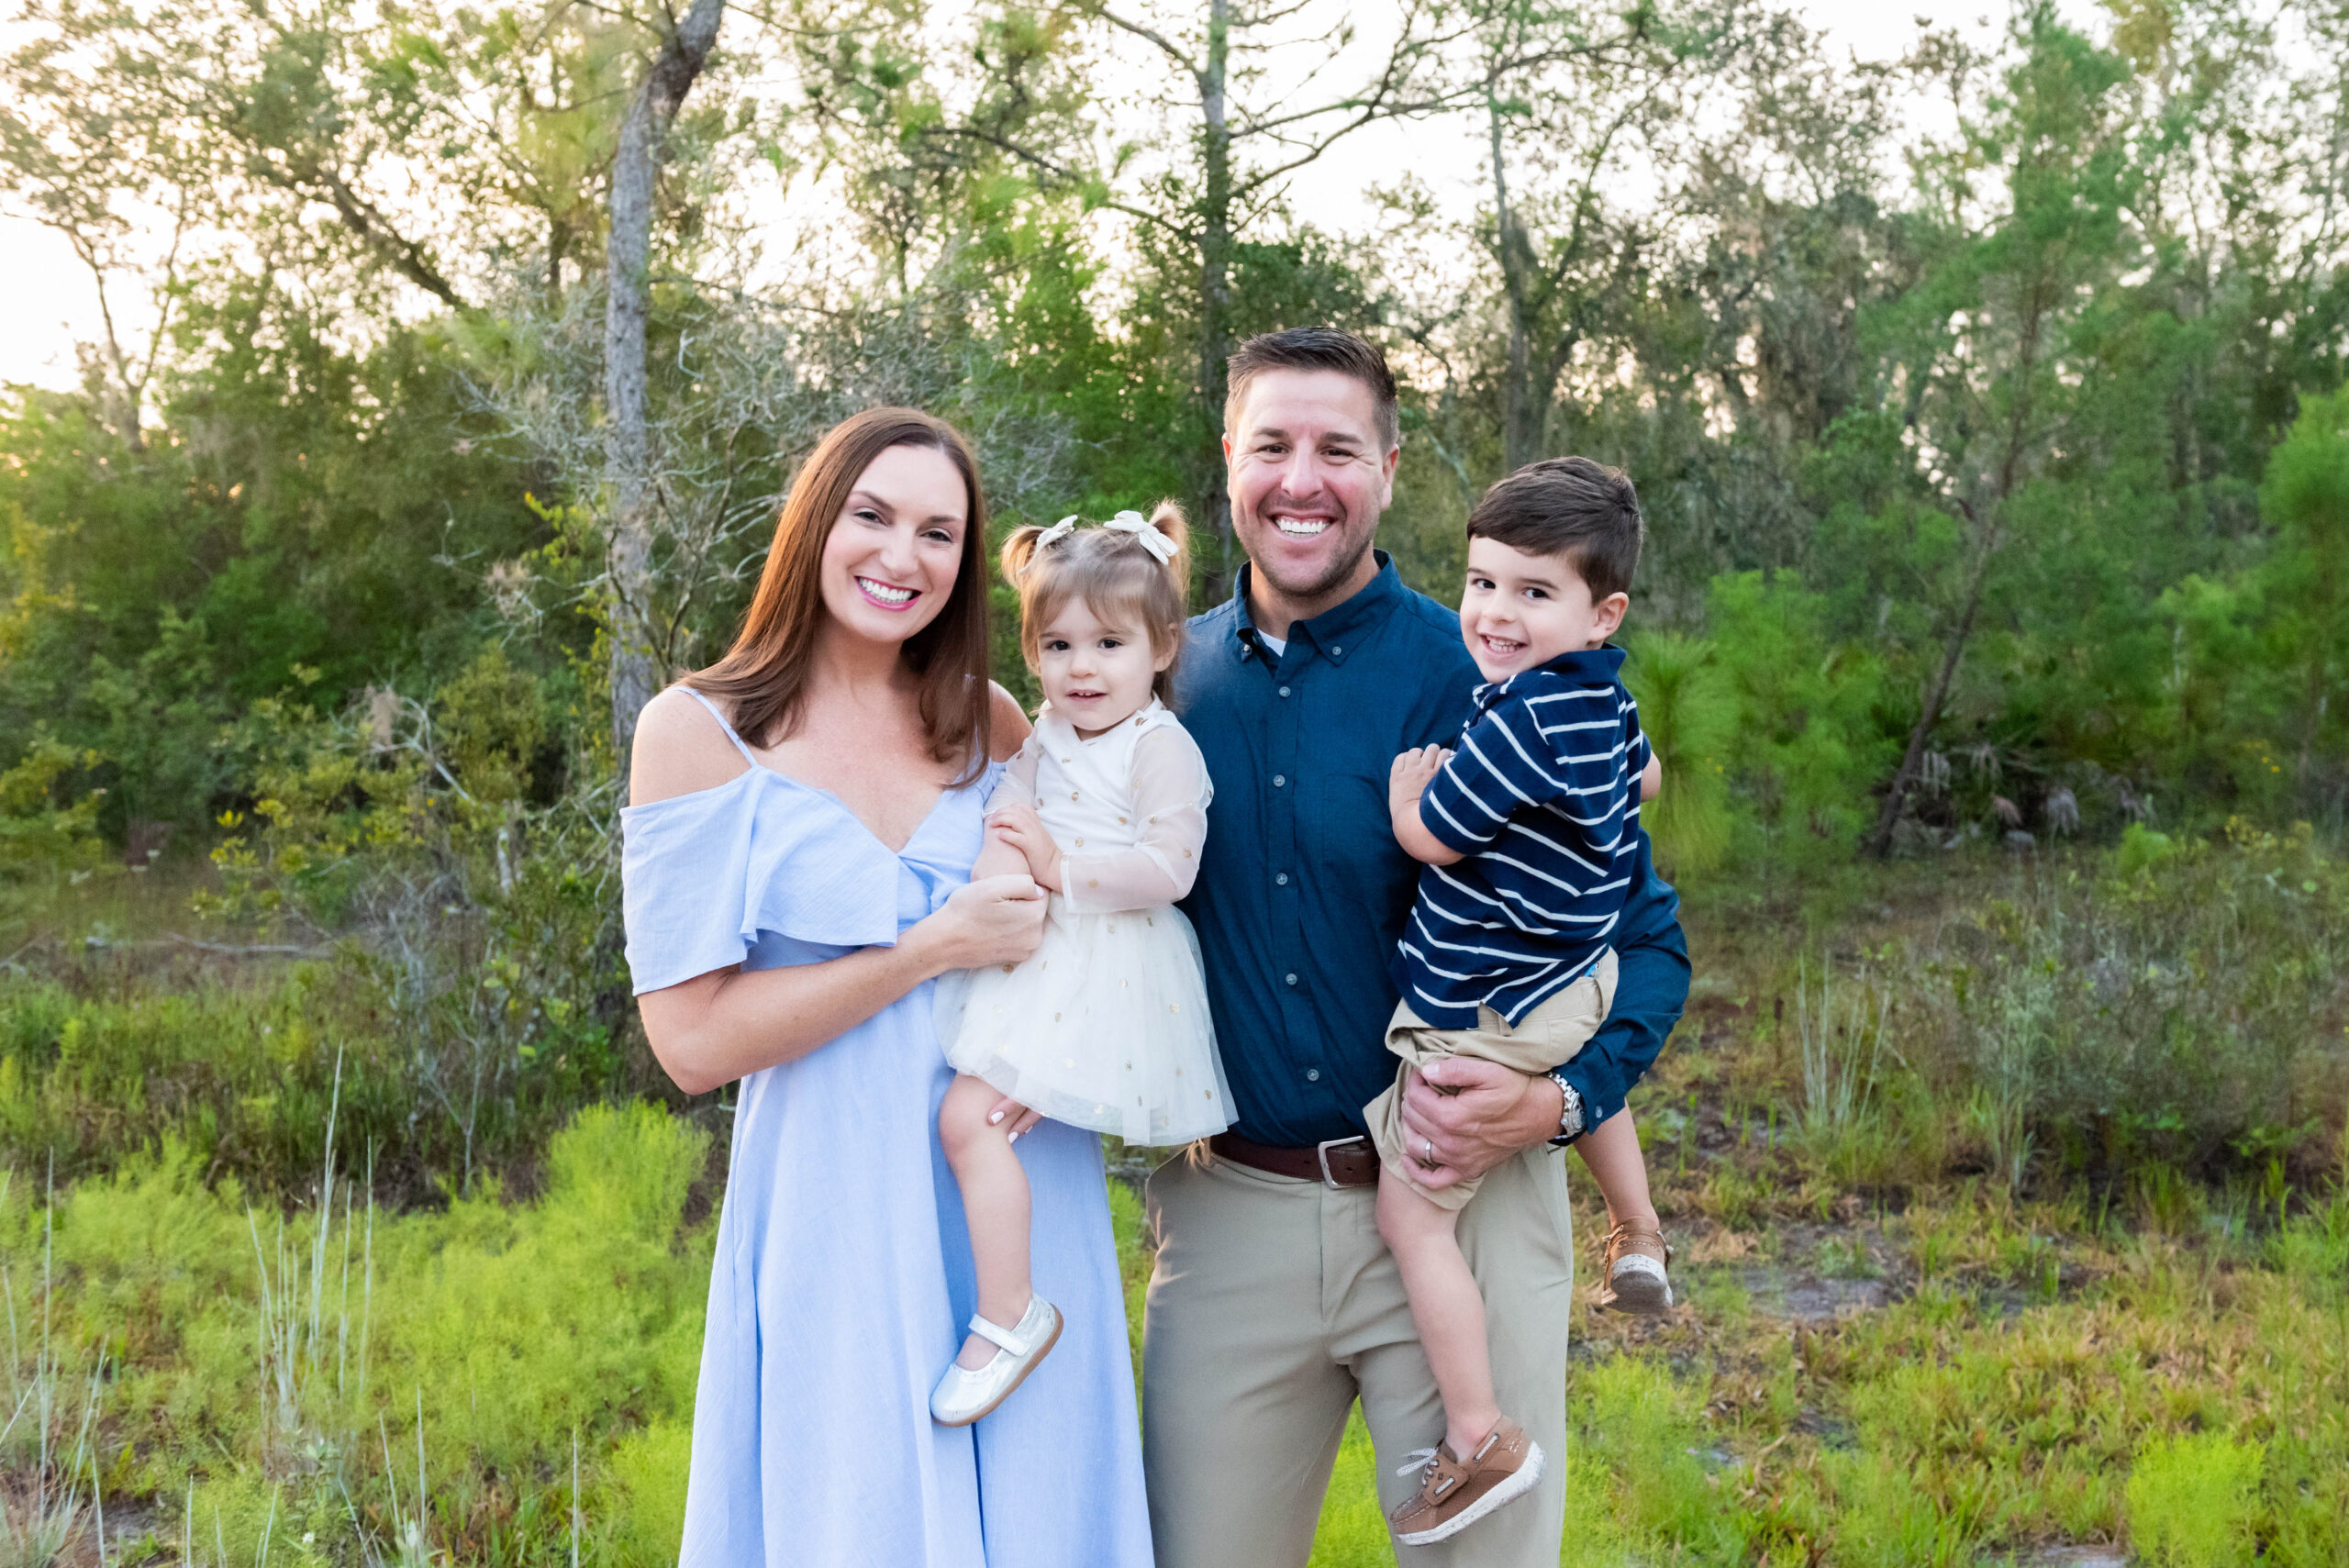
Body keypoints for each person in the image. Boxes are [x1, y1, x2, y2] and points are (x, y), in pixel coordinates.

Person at [1147, 328, 1690, 1567]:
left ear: (1389, 469)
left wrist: (1558, 1100)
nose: (1302, 479)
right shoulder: (1166, 680)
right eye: (1273, 444)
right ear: (1229, 457)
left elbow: (1648, 946)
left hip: (1466, 1199)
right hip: (1233, 1211)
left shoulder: (1495, 671)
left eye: (1338, 448)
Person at [621, 407, 1153, 1567]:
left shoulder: (996, 722)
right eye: (871, 515)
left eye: (937, 531)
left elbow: (1100, 923)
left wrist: (1069, 1052)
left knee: (1041, 1512)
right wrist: (924, 950)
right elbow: (691, 1042)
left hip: (1020, 1187)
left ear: (966, 563)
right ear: (815, 524)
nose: (899, 555)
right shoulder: (697, 733)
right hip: (836, 1204)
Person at [1370, 456, 1667, 1546]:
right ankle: (1637, 1229)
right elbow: (1639, 782)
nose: (1495, 612)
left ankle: (1477, 1428)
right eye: (1483, 582)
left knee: (1412, 1214)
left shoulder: (1517, 717)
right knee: (1584, 1065)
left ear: (1602, 609)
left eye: (1533, 592)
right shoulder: (1605, 698)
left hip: (1488, 996)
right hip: (1575, 974)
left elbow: (1433, 834)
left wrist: (1409, 787)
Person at [929, 504, 1230, 1426]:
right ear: (1031, 653)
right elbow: (1005, 824)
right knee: (969, 1116)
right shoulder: (1043, 738)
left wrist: (1060, 871)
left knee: (967, 1117)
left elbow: (1172, 869)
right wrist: (996, 892)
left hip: (1111, 954)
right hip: (1039, 944)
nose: (1082, 667)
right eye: (1057, 646)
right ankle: (1006, 1300)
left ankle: (1010, 1310)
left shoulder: (1160, 747)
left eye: (1108, 642)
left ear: (1164, 646)